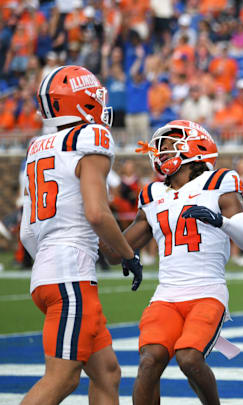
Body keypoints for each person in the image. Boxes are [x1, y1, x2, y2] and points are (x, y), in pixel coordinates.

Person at [103, 120, 243, 405]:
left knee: (189, 358)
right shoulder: (152, 194)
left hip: (207, 291)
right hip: (166, 294)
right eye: (160, 147)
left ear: (197, 146)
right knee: (149, 361)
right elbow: (114, 253)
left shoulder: (219, 182)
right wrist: (97, 219)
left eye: (169, 145)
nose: (162, 152)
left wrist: (222, 221)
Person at [19, 65, 143, 405]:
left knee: (106, 373)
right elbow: (97, 213)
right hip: (69, 277)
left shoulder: (39, 146)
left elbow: (28, 229)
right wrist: (128, 253)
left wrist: (50, 258)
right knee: (63, 377)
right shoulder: (90, 137)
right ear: (79, 102)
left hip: (49, 273)